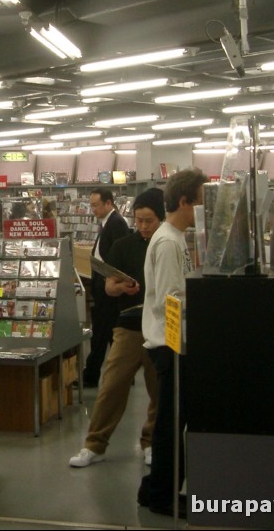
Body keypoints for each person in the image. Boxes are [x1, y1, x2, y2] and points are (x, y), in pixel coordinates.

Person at [69, 188, 164, 468]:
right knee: (111, 386)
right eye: (139, 220)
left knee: (158, 390)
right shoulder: (123, 245)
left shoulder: (166, 244)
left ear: (161, 218)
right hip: (130, 326)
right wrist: (118, 286)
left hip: (159, 328)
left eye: (149, 220)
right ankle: (94, 445)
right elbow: (110, 287)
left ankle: (151, 443)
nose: (143, 226)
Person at [138, 168, 207, 518]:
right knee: (168, 423)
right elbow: (170, 300)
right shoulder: (167, 242)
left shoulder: (175, 238)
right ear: (184, 201)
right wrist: (179, 347)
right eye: (200, 201)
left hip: (172, 342)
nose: (202, 209)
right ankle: (162, 496)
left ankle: (154, 489)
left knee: (169, 421)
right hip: (170, 344)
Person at [82, 188, 130, 387]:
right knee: (109, 332)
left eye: (96, 205)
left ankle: (91, 375)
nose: (93, 209)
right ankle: (124, 373)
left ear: (109, 203)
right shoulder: (108, 223)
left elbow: (118, 256)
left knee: (101, 332)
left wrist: (110, 281)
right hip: (104, 285)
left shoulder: (116, 223)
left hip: (108, 287)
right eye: (91, 205)